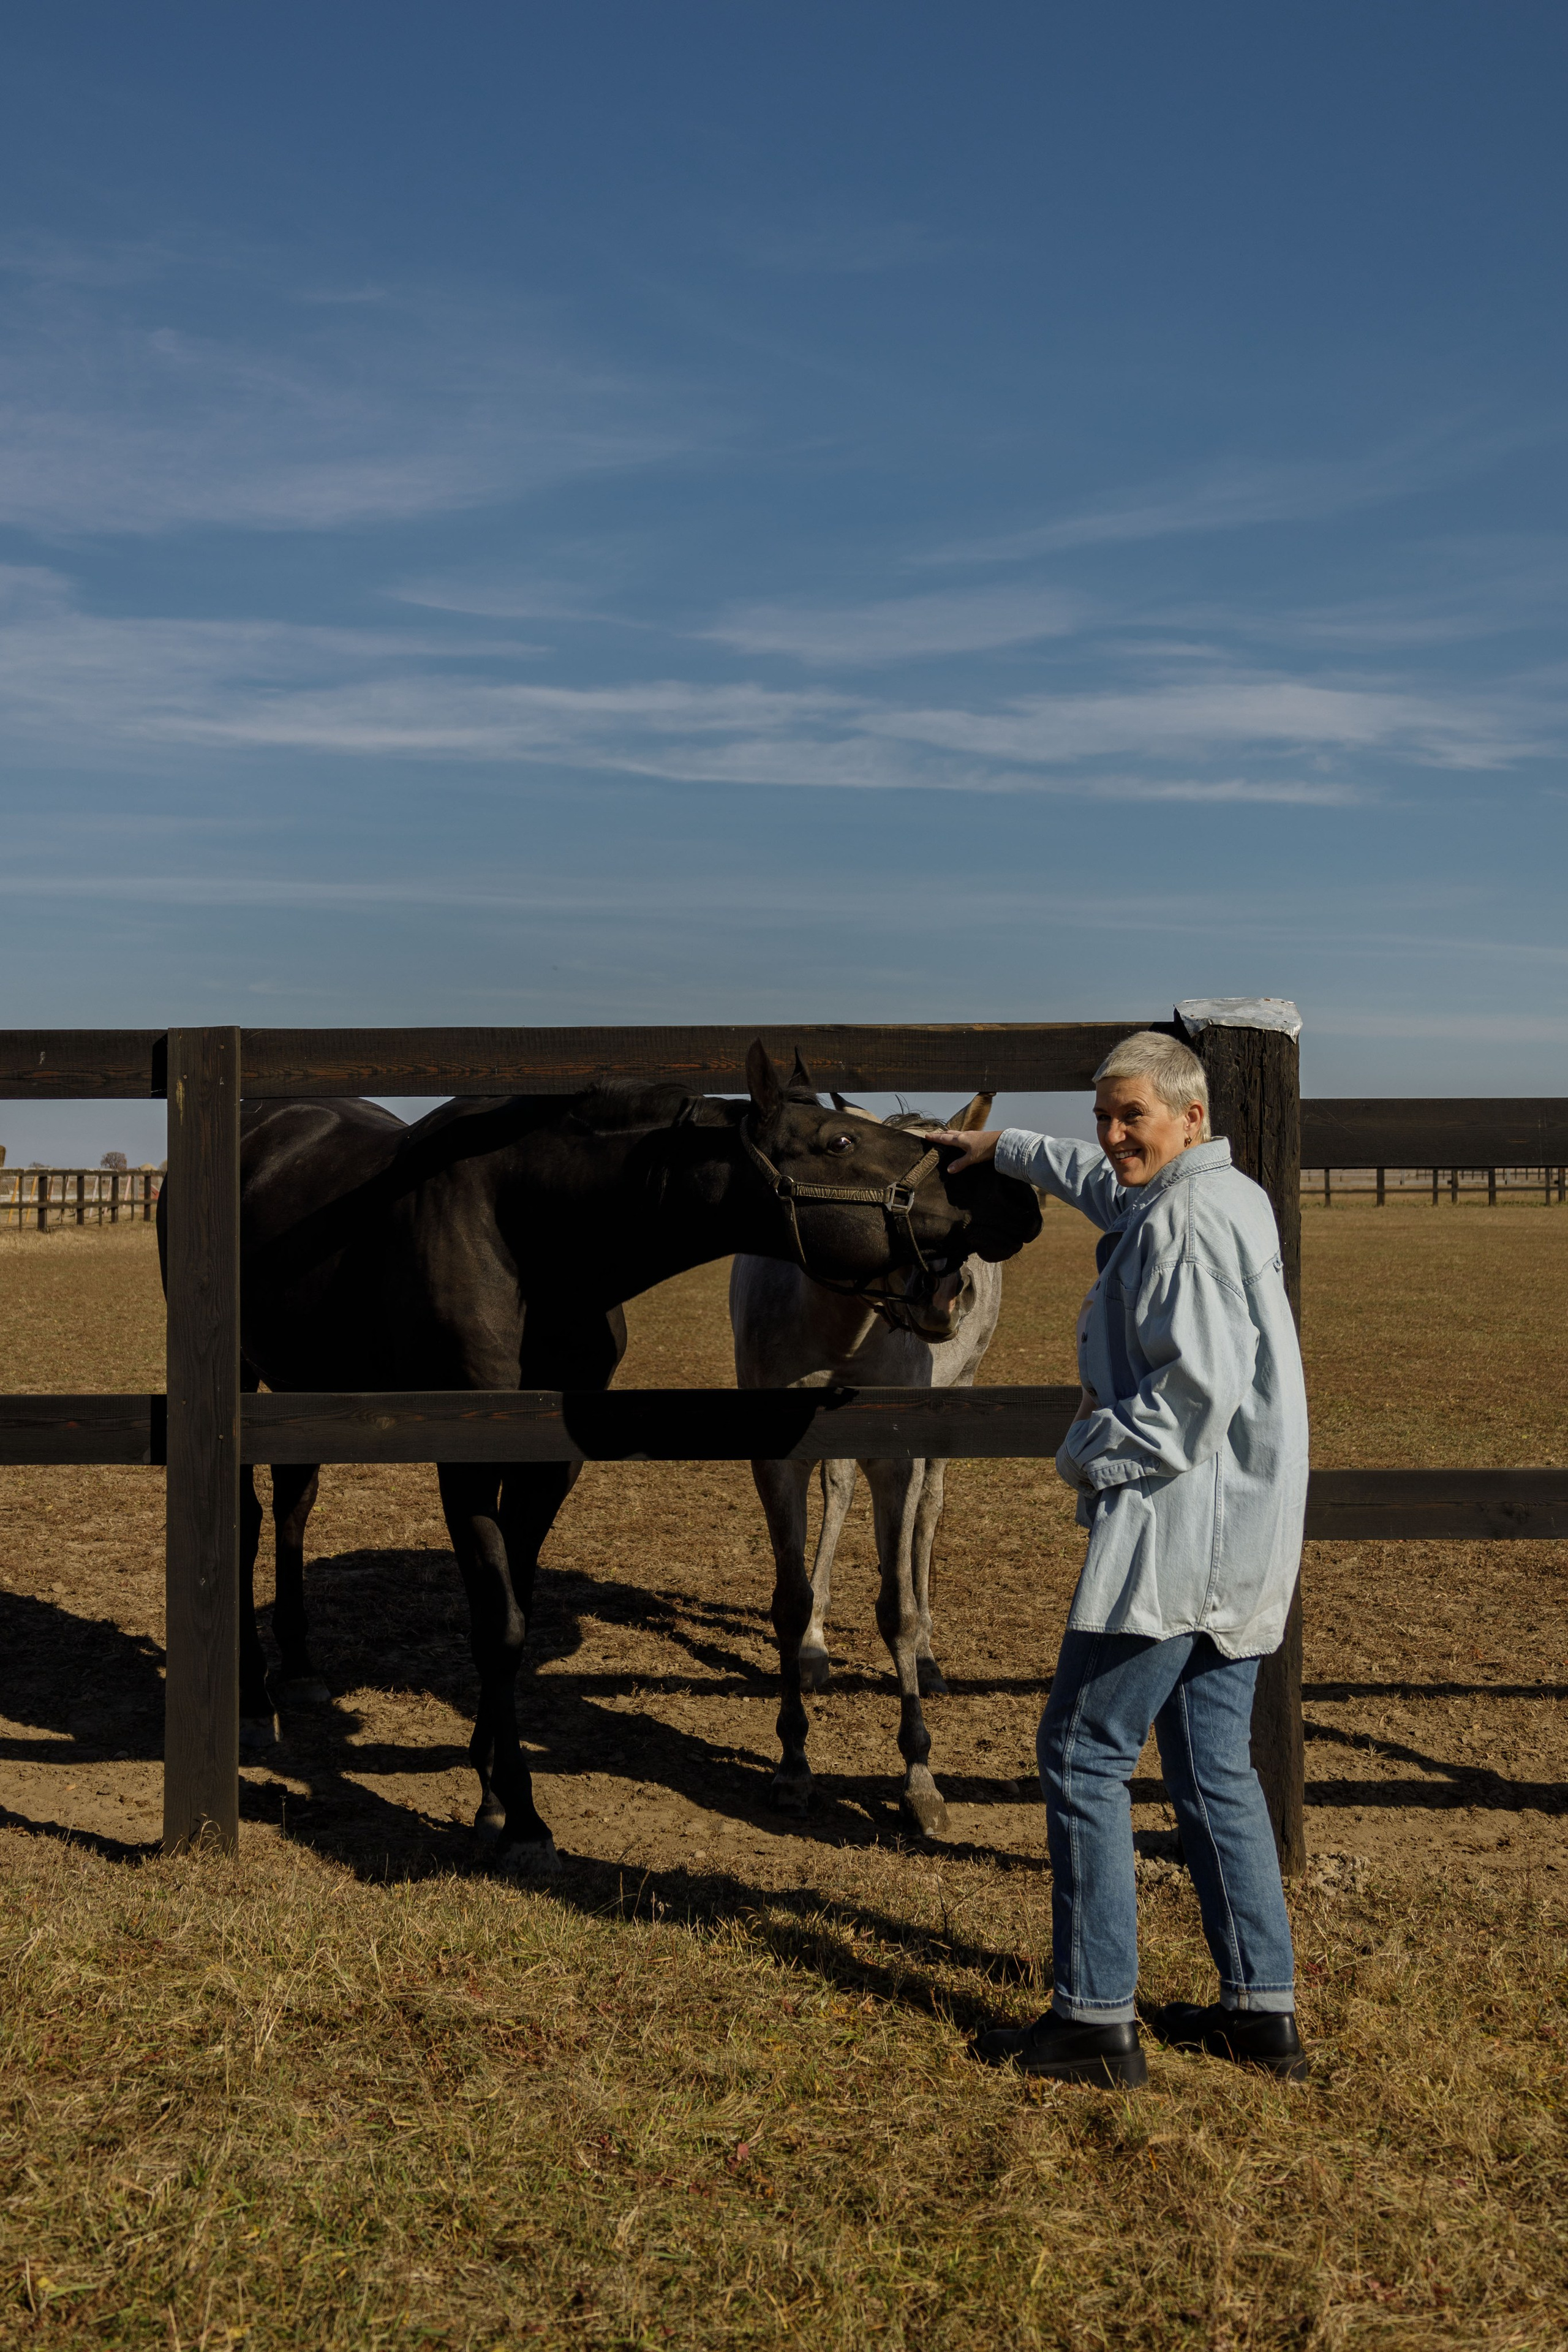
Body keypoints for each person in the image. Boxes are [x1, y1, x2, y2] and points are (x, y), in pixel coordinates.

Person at [935, 1031, 1310, 2086]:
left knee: (1082, 1754)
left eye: (1130, 1116)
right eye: (1103, 1115)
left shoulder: (1184, 1221)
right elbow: (1105, 1185)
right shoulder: (1213, 1193)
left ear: (1190, 1116)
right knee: (1213, 1766)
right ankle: (1258, 2009)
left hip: (1178, 1529)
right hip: (1240, 1534)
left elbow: (1188, 1399)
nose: (1111, 1136)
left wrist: (1084, 1455)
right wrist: (1000, 1146)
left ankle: (1095, 2020)